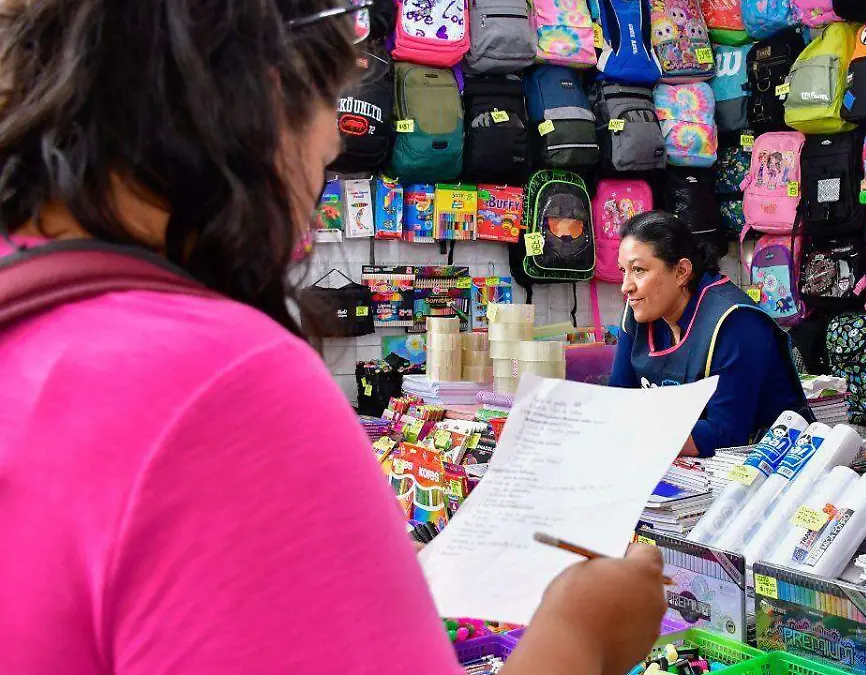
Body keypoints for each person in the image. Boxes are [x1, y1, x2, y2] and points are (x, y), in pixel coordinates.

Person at [0, 2, 666, 674]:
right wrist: (583, 631)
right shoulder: (222, 386)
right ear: (265, 95)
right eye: (323, 158)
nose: (313, 197)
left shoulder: (36, 320)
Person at [609, 211, 815, 457]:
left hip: (770, 465)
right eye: (623, 270)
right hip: (682, 463)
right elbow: (619, 400)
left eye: (639, 270)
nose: (626, 286)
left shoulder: (735, 321)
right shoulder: (638, 311)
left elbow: (725, 433)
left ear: (681, 272)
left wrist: (635, 433)